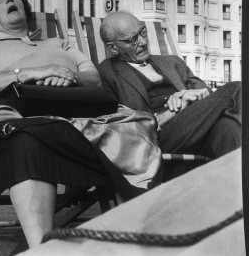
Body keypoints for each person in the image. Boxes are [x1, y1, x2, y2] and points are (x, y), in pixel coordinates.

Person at [0, 0, 152, 247]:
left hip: (76, 121)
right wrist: (32, 73)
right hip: (12, 123)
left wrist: (70, 77)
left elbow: (94, 80)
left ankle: (143, 241)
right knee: (27, 138)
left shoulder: (60, 43)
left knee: (135, 126)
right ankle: (41, 249)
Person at [98, 11, 241, 159]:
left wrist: (186, 95)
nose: (143, 42)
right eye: (133, 40)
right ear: (114, 48)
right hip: (157, 138)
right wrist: (173, 111)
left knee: (228, 127)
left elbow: (206, 92)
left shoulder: (172, 62)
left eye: (143, 32)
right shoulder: (108, 73)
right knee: (235, 88)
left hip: (197, 127)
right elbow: (119, 126)